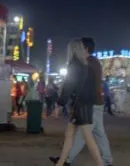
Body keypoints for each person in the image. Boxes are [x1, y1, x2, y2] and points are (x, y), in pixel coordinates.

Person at [51, 37, 112, 166]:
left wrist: (59, 104)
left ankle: (101, 162)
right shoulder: (89, 63)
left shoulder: (81, 64)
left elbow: (69, 86)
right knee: (79, 134)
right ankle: (63, 162)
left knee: (87, 136)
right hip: (88, 103)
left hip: (84, 104)